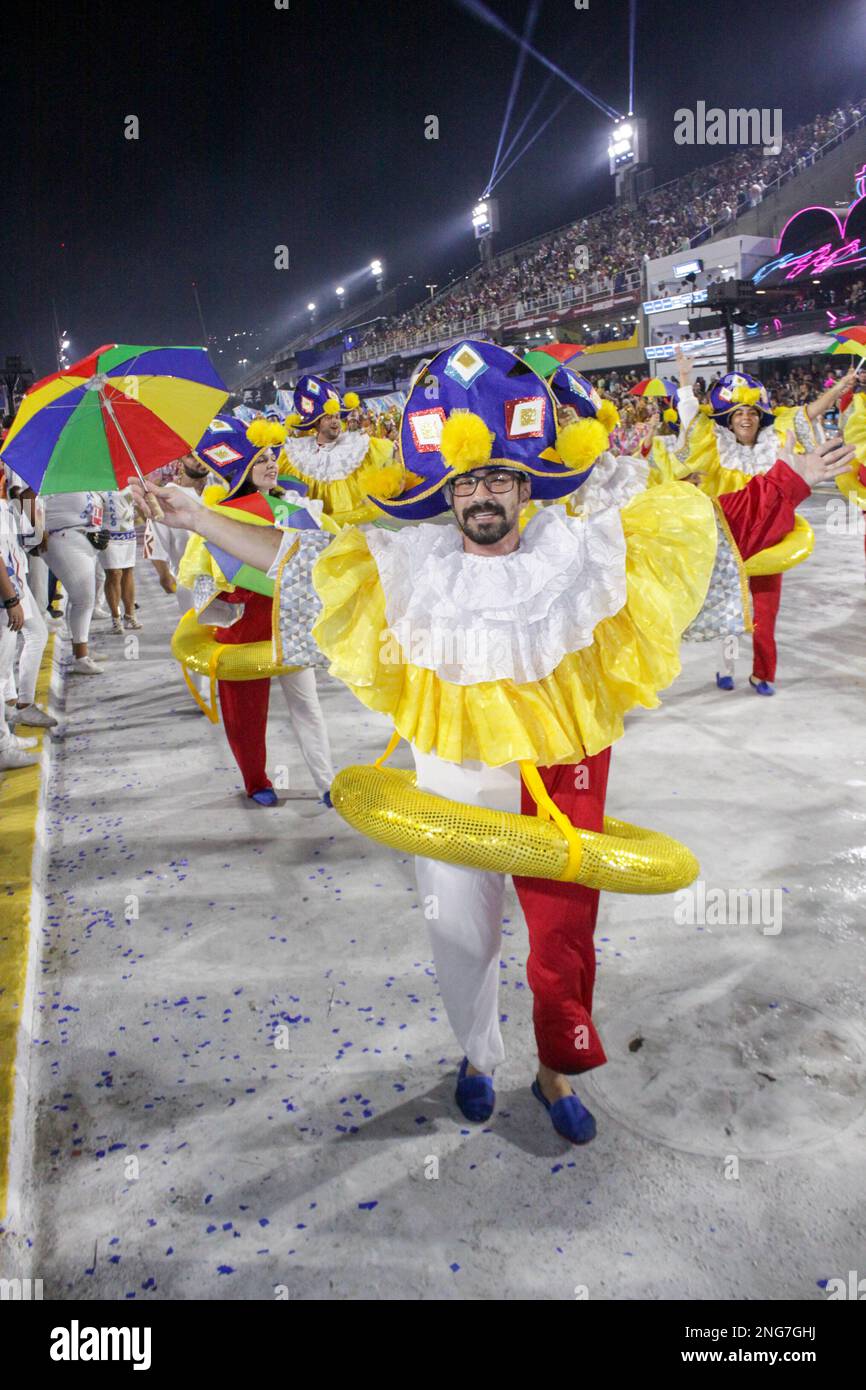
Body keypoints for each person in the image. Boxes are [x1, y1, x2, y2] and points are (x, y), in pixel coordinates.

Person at [131, 339, 854, 1145]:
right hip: (451, 780)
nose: (482, 495)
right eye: (466, 480)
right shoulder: (409, 563)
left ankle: (556, 1070)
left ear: (525, 484)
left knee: (562, 944)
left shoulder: (584, 551)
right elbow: (298, 559)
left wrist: (794, 479)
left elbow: (711, 529)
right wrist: (195, 515)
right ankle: (477, 1057)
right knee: (460, 933)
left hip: (564, 774)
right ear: (446, 489)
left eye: (499, 479)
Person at [177, 416, 335, 807]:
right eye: (260, 458)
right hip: (242, 632)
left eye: (272, 457)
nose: (270, 464)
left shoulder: (292, 506)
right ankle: (255, 780)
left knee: (307, 707)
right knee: (245, 715)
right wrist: (229, 592)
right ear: (242, 469)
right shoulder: (218, 519)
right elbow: (201, 584)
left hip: (290, 625)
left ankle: (327, 784)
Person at [672, 362, 857, 693]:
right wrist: (684, 379)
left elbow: (809, 412)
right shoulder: (712, 446)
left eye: (753, 412)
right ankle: (725, 668)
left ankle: (763, 673)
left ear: (762, 417)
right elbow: (690, 417)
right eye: (739, 413)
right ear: (728, 419)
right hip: (728, 542)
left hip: (771, 543)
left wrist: (839, 388)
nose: (746, 418)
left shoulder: (776, 444)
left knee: (765, 617)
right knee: (728, 612)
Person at [280, 375, 411, 524]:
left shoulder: (359, 447)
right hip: (320, 533)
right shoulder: (297, 455)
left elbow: (392, 462)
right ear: (316, 423)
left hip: (361, 527)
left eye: (337, 416)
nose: (335, 421)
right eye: (329, 417)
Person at [99, 487, 140, 634]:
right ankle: (116, 618)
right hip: (107, 533)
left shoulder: (128, 479)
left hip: (128, 532)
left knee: (128, 572)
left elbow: (139, 503)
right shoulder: (95, 482)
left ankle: (129, 616)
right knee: (114, 574)